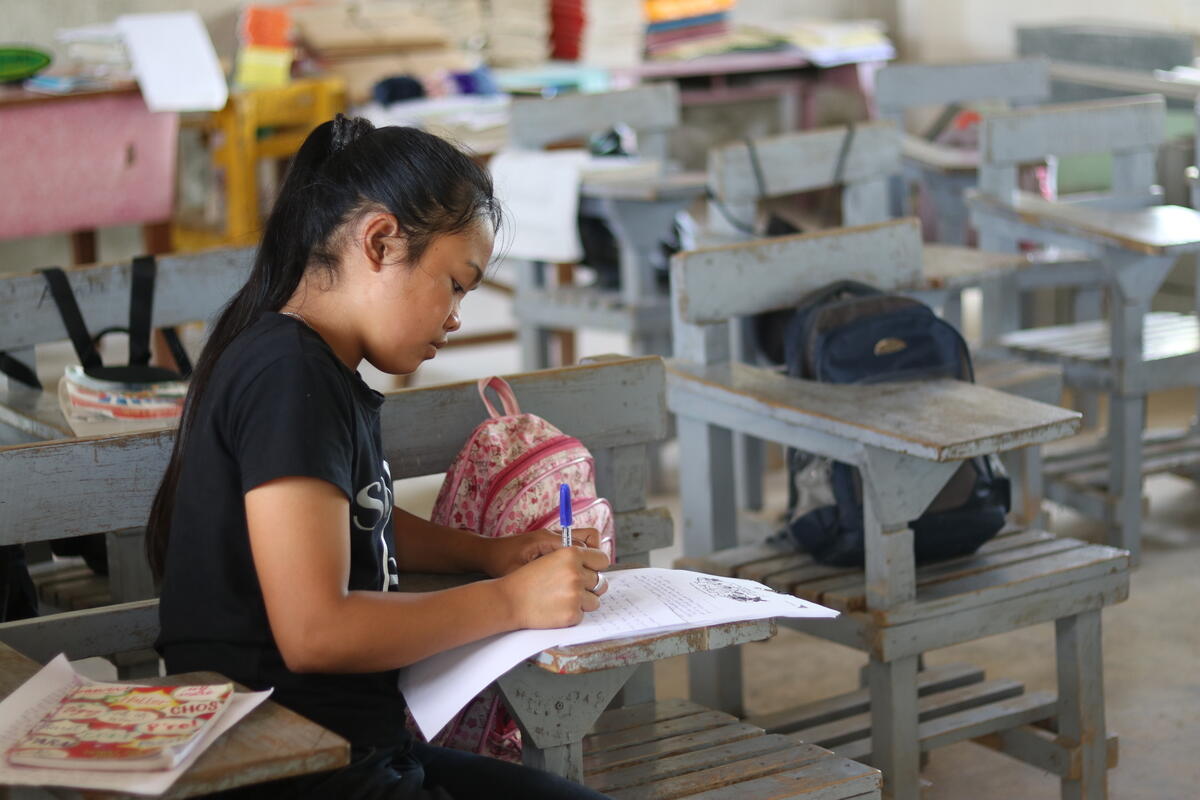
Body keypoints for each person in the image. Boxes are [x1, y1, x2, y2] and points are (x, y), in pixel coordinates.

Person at [147, 115, 612, 799]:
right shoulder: (286, 374)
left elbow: (357, 525)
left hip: (358, 752)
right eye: (455, 284)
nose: (456, 317)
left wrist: (488, 555)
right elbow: (314, 631)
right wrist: (509, 601)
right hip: (281, 767)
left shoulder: (315, 369)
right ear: (381, 241)